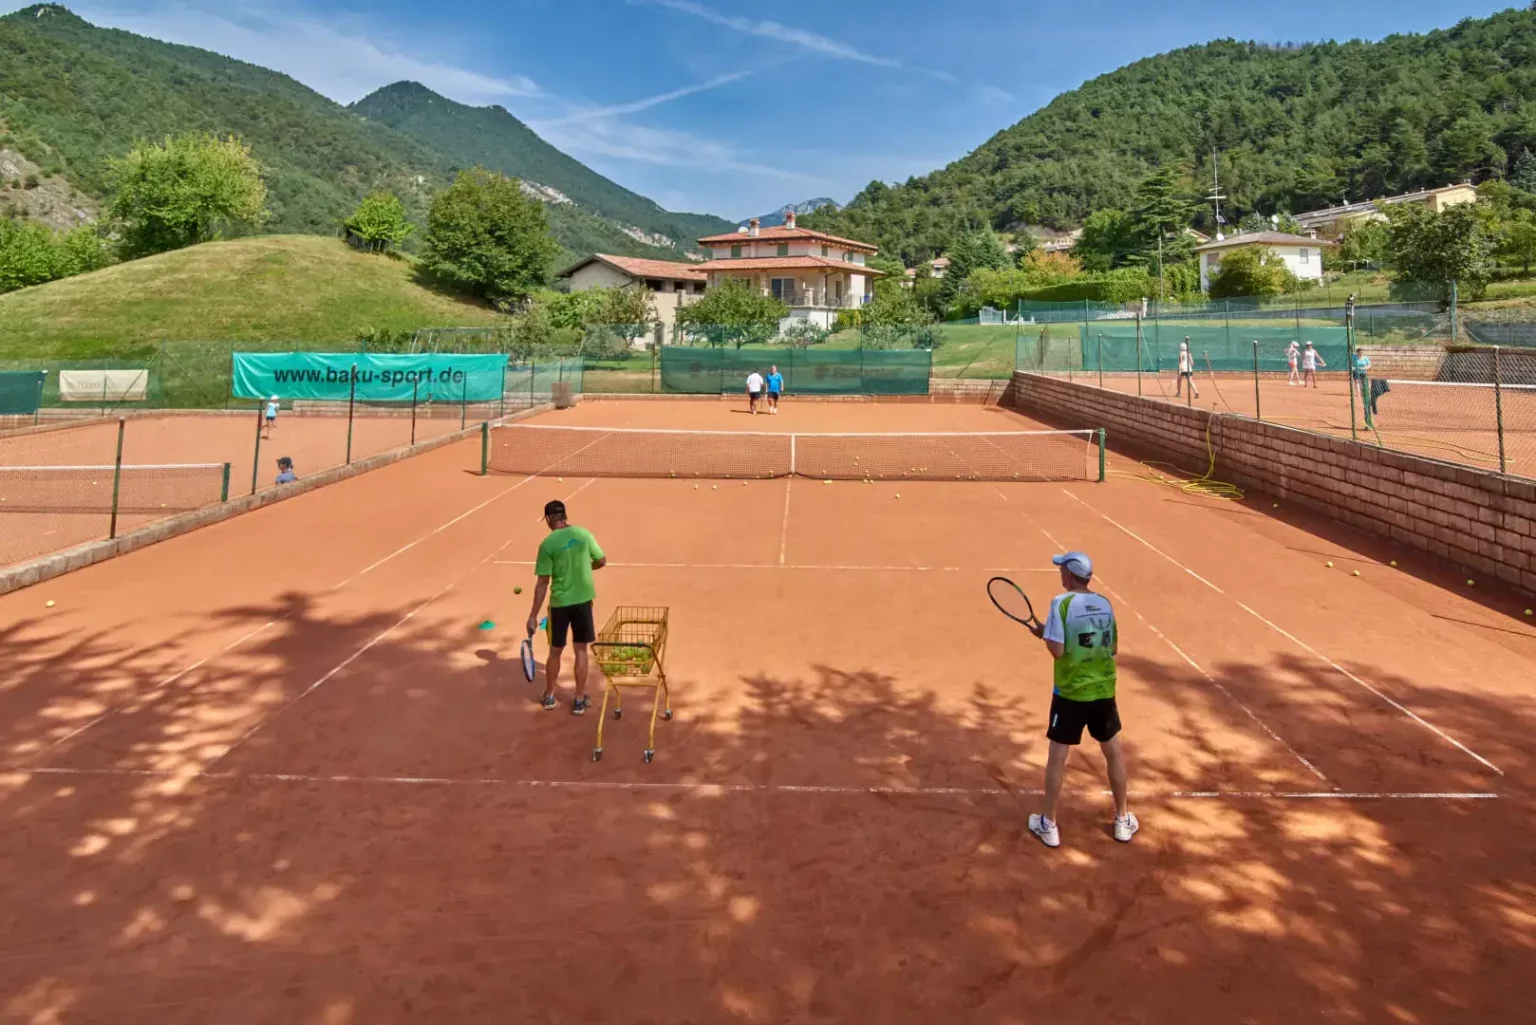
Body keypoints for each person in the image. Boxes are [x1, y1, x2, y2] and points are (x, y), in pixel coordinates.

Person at [1026, 551, 1137, 849]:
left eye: (1061, 569)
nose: (1059, 573)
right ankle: (1122, 820)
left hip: (1070, 693)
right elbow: (1112, 647)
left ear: (1069, 575)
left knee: (1057, 757)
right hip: (1103, 690)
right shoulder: (1105, 603)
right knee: (1113, 753)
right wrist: (1050, 634)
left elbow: (1058, 650)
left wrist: (1045, 635)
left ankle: (1048, 825)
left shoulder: (1061, 604)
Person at [526, 499, 607, 714]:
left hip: (560, 604)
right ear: (564, 516)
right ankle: (579, 700)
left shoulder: (547, 545)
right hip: (583, 601)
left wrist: (533, 615)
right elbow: (601, 561)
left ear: (549, 519)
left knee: (555, 651)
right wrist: (585, 568)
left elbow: (543, 583)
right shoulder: (583, 534)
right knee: (581, 649)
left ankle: (550, 696)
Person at [1351, 348, 1374, 427]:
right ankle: (1358, 393)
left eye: (1362, 352)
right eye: (1359, 352)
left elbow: (1369, 365)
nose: (1361, 353)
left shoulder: (1365, 358)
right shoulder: (1354, 357)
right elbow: (1350, 364)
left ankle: (1363, 392)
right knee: (1357, 381)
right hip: (1356, 372)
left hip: (1363, 372)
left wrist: (1366, 368)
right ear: (1357, 353)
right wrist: (1352, 367)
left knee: (1363, 383)